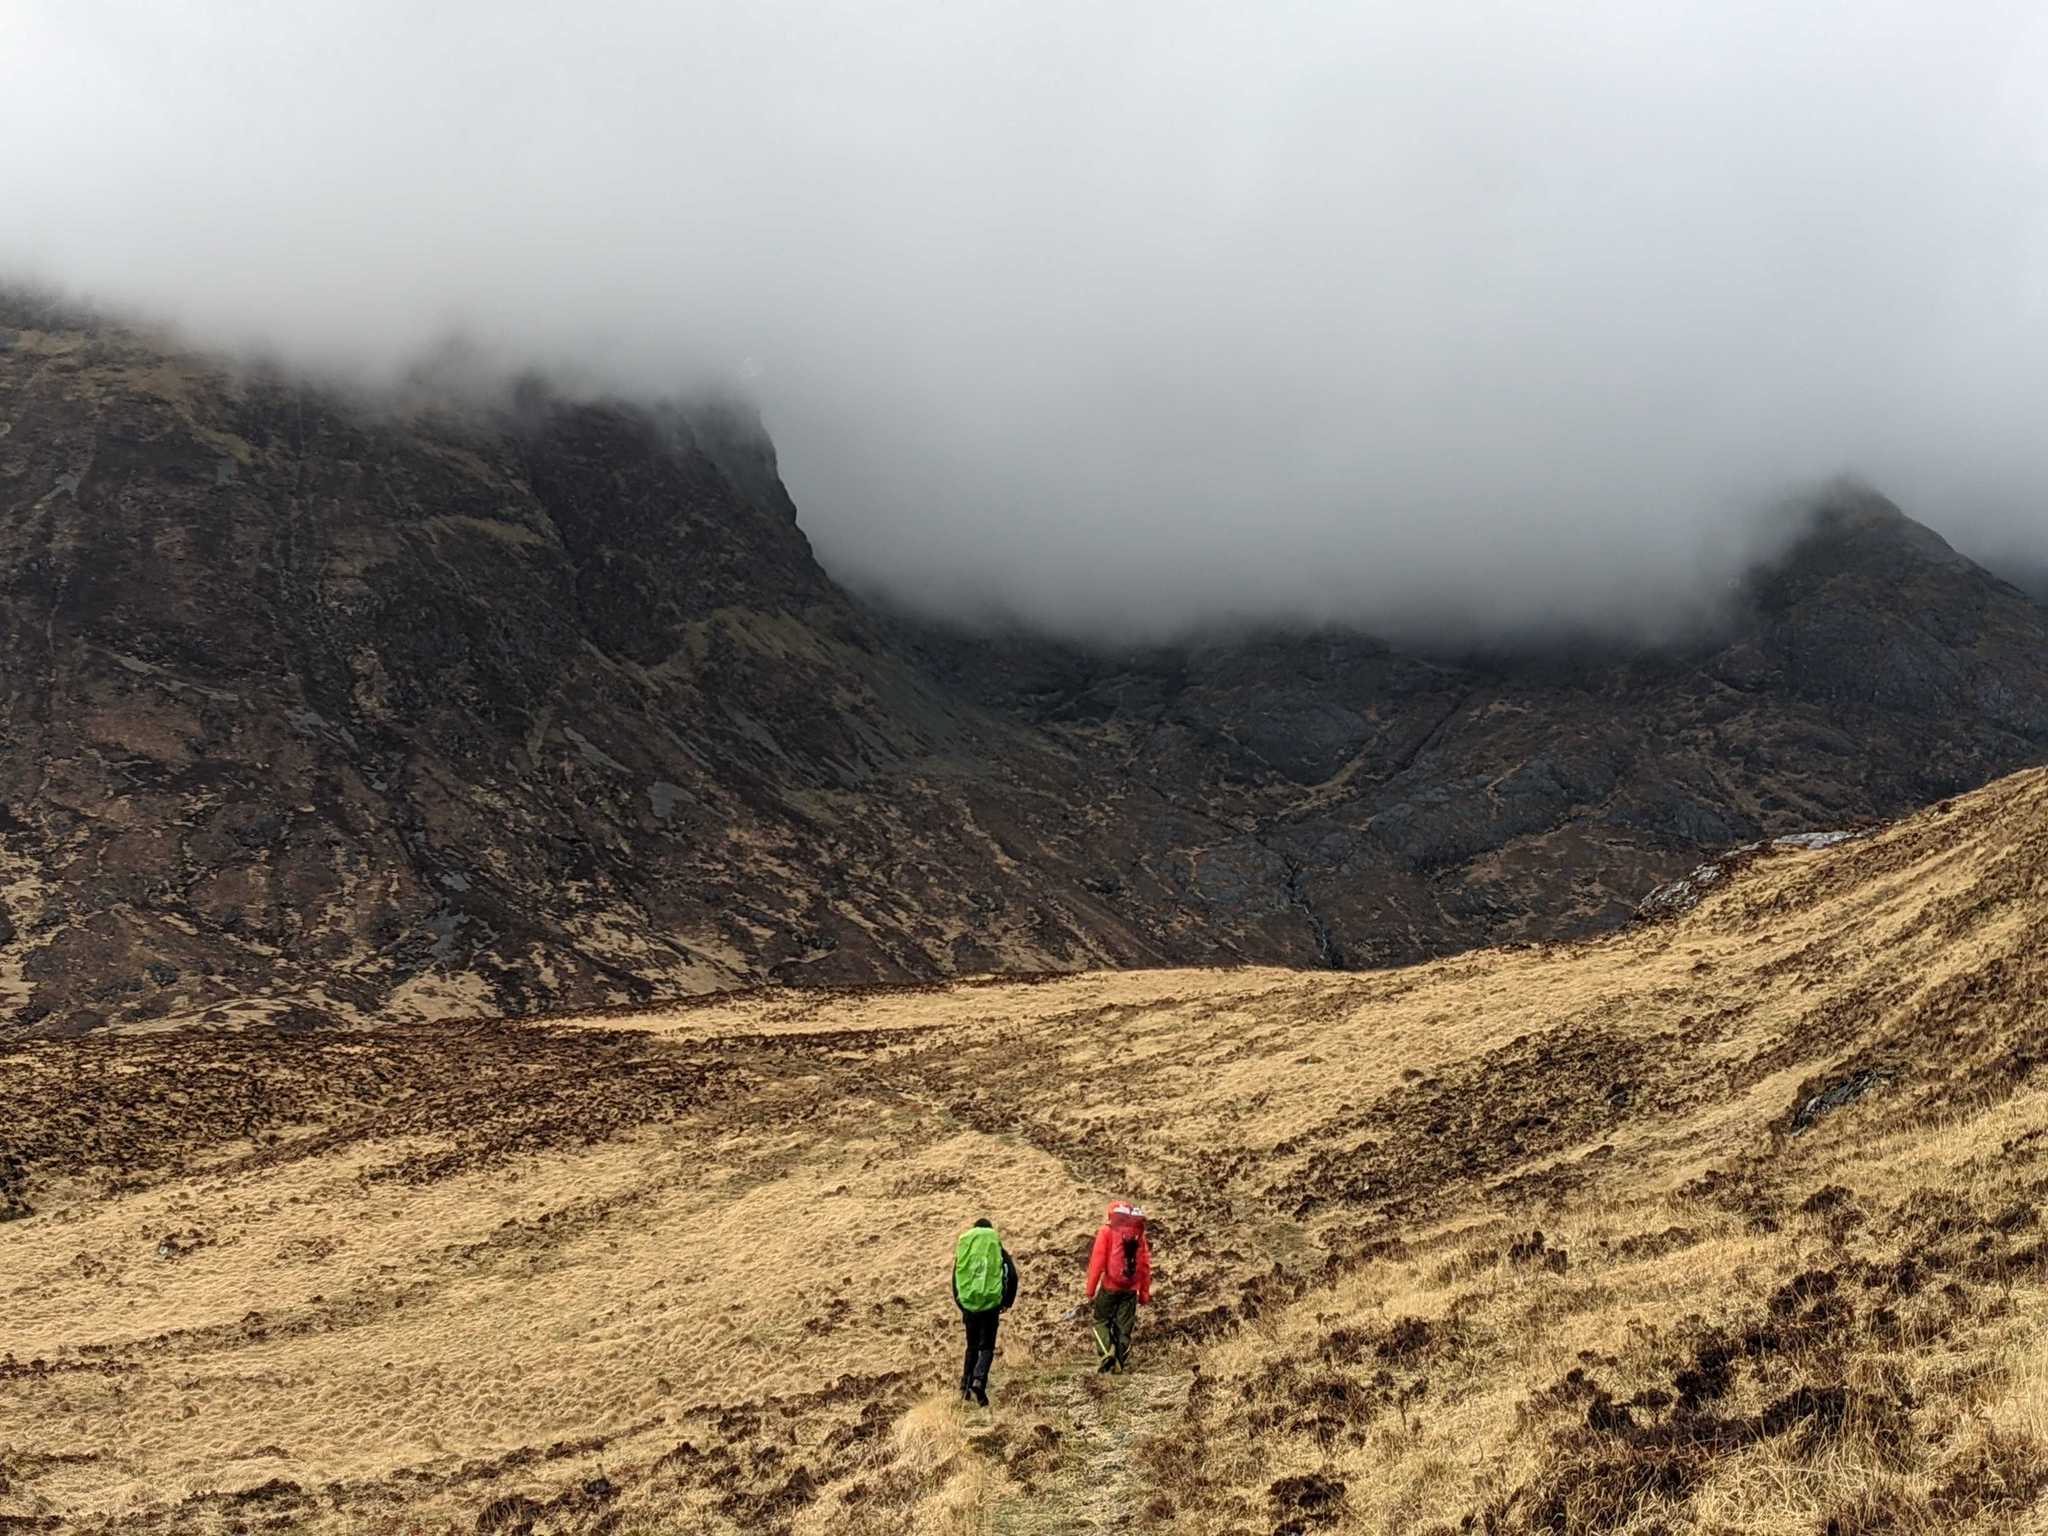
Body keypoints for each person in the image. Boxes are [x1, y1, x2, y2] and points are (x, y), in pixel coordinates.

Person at [952, 1217, 1019, 1406]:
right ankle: (979, 1381)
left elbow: (956, 1279)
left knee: (971, 1346)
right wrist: (1007, 1302)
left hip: (969, 1306)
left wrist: (962, 1304)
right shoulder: (997, 1250)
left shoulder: (965, 1251)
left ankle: (964, 1387)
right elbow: (1012, 1276)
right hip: (991, 1306)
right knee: (987, 1346)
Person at [1085, 1200, 1151, 1373]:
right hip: (1131, 1290)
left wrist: (1090, 1289)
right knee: (1124, 1328)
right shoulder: (1139, 1235)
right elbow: (1144, 1265)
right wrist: (1144, 1293)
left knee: (1100, 1321)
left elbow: (1097, 1262)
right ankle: (1120, 1363)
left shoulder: (1106, 1231)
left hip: (1109, 1287)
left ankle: (1107, 1353)